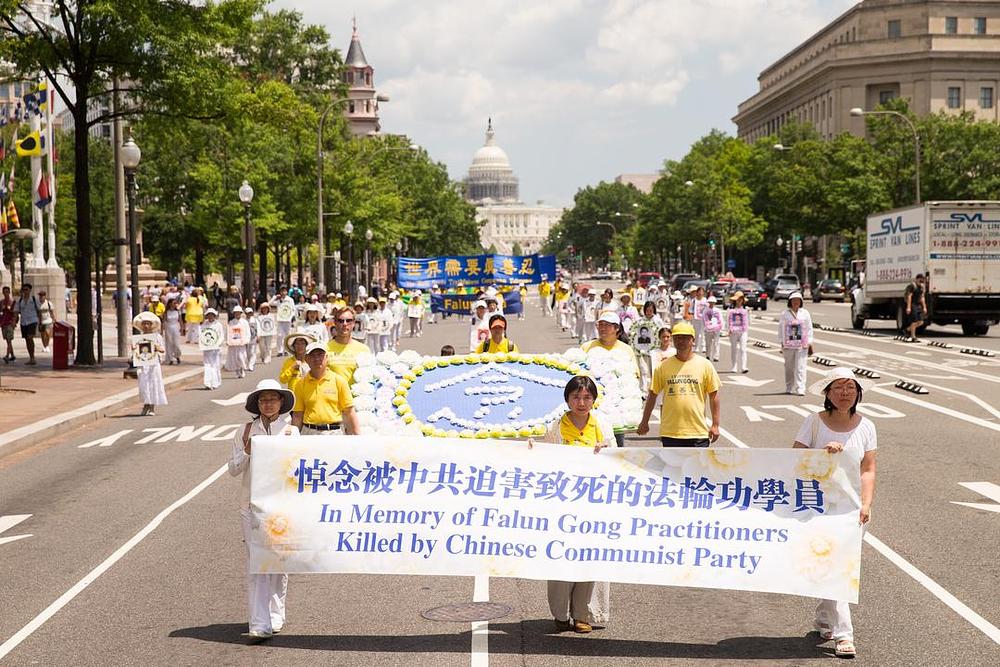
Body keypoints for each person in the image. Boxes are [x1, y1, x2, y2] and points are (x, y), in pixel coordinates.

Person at [792, 366, 877, 659]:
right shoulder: (814, 423)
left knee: (836, 565)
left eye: (851, 388)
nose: (845, 393)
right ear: (828, 393)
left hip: (852, 509)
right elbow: (793, 458)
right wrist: (821, 455)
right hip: (819, 507)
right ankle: (844, 635)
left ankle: (823, 619)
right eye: (838, 388)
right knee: (837, 567)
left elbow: (868, 469)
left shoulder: (866, 426)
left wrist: (866, 504)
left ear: (858, 393)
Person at [531, 375, 612, 633]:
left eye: (587, 397)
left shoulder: (602, 426)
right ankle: (560, 612)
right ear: (567, 399)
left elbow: (618, 463)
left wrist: (606, 451)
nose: (581, 402)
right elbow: (544, 463)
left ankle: (582, 614)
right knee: (561, 556)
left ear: (594, 400)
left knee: (589, 558)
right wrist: (532, 450)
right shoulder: (555, 427)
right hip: (563, 505)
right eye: (576, 397)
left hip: (594, 504)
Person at [228, 379, 299, 642]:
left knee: (279, 561)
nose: (268, 404)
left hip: (282, 507)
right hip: (251, 507)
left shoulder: (291, 432)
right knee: (257, 563)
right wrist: (247, 451)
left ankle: (276, 613)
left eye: (272, 398)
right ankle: (259, 622)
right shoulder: (245, 430)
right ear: (257, 404)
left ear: (281, 402)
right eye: (263, 399)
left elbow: (296, 469)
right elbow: (233, 469)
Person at [636, 321, 721, 447]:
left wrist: (715, 425)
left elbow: (714, 396)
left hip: (698, 432)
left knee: (697, 467)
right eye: (677, 338)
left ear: (693, 340)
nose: (681, 341)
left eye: (685, 338)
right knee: (672, 467)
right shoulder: (663, 366)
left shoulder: (705, 365)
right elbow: (652, 395)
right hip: (671, 433)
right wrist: (644, 421)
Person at [581, 312, 640, 448]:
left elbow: (633, 377)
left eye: (606, 325)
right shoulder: (587, 347)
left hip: (617, 409)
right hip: (594, 405)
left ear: (616, 328)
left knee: (616, 446)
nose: (602, 328)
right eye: (600, 325)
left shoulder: (626, 350)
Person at [290, 342, 360, 435]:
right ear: (306, 359)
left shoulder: (339, 381)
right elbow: (298, 415)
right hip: (309, 433)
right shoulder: (300, 384)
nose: (317, 359)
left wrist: (357, 437)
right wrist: (292, 439)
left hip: (334, 433)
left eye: (320, 355)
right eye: (312, 355)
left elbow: (349, 412)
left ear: (326, 357)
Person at [132, 312, 167, 416]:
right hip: (143, 365)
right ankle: (146, 404)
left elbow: (162, 349)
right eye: (144, 323)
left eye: (148, 323)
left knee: (153, 384)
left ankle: (152, 407)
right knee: (144, 385)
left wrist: (156, 347)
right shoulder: (139, 338)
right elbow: (137, 352)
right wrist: (134, 349)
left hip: (153, 365)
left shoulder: (157, 337)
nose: (146, 326)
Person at [779, 292, 813, 395]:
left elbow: (809, 328)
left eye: (798, 300)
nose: (796, 302)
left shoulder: (805, 313)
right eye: (794, 300)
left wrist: (809, 342)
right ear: (790, 302)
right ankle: (789, 386)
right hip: (788, 344)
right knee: (789, 367)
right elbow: (781, 329)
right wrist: (782, 342)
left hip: (802, 344)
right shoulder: (785, 314)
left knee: (801, 366)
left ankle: (800, 387)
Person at [325, 307, 370, 384]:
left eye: (348, 320)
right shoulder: (324, 348)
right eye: (340, 321)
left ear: (353, 323)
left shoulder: (364, 350)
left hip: (356, 395)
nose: (345, 324)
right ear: (335, 323)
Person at [12, 283, 41, 365]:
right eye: (23, 290)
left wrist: (41, 322)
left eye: (26, 290)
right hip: (24, 322)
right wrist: (14, 321)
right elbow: (16, 312)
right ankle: (31, 357)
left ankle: (33, 357)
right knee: (27, 340)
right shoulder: (19, 301)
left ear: (30, 290)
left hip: (32, 320)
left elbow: (39, 311)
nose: (25, 291)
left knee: (30, 337)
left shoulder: (34, 300)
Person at [200, 308, 224, 390]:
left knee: (215, 365)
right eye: (209, 314)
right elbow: (201, 335)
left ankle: (215, 382)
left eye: (212, 314)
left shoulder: (218, 325)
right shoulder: (204, 325)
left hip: (215, 349)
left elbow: (221, 336)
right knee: (207, 365)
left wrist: (217, 343)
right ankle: (207, 383)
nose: (210, 316)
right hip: (207, 348)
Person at [727, 291, 750, 374]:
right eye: (738, 299)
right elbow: (728, 321)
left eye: (741, 299)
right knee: (734, 349)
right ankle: (734, 366)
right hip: (733, 331)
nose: (739, 300)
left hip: (743, 331)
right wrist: (729, 329)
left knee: (743, 349)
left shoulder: (746, 310)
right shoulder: (730, 310)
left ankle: (744, 366)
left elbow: (748, 322)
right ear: (735, 300)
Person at [270, 288, 296, 355]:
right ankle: (280, 351)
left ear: (286, 292)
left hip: (287, 319)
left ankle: (286, 350)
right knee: (279, 335)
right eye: (282, 291)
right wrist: (275, 297)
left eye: (284, 291)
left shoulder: (290, 300)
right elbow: (270, 303)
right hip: (280, 319)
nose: (283, 292)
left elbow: (293, 309)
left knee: (287, 335)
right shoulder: (278, 300)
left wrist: (291, 317)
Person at [226, 309, 250, 379]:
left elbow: (247, 332)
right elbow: (228, 332)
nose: (237, 314)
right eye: (236, 313)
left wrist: (246, 340)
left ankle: (242, 369)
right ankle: (237, 371)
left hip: (241, 343)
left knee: (241, 356)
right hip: (234, 343)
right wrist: (228, 340)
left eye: (238, 313)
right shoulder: (231, 322)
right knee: (235, 357)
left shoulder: (244, 322)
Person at [903, 273, 927, 341]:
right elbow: (909, 296)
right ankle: (913, 336)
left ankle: (907, 329)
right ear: (917, 279)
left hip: (918, 305)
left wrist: (924, 307)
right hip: (912, 304)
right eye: (920, 280)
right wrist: (908, 307)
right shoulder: (912, 286)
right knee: (914, 321)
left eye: (922, 281)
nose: (921, 282)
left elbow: (922, 297)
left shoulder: (922, 287)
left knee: (921, 322)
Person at [702, 295, 723, 362]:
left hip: (716, 328)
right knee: (708, 343)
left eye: (713, 302)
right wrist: (707, 326)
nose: (712, 303)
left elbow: (720, 319)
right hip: (708, 329)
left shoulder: (717, 310)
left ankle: (716, 356)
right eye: (710, 302)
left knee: (716, 343)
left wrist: (720, 326)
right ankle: (708, 355)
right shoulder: (705, 310)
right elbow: (704, 319)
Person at [163, 296, 183, 365]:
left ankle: (177, 356)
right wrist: (162, 330)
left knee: (176, 343)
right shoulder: (166, 312)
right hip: (168, 327)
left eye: (176, 303)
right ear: (170, 304)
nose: (175, 304)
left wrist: (182, 328)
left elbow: (180, 320)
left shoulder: (177, 311)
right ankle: (170, 358)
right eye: (174, 303)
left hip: (176, 327)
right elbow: (164, 321)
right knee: (169, 343)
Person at [2, 285, 17, 362]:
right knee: (8, 341)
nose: (6, 293)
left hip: (10, 323)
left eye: (7, 292)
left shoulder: (13, 302)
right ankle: (13, 355)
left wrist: (14, 322)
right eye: (4, 292)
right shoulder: (1, 302)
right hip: (3, 323)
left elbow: (15, 313)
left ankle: (7, 356)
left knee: (9, 339)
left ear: (9, 292)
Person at [245, 307, 259, 372]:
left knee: (252, 352)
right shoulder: (244, 321)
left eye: (250, 313)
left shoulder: (255, 320)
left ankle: (251, 365)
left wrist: (258, 336)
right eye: (248, 313)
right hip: (247, 339)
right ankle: (248, 363)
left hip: (254, 338)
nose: (249, 314)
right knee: (248, 353)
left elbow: (258, 328)